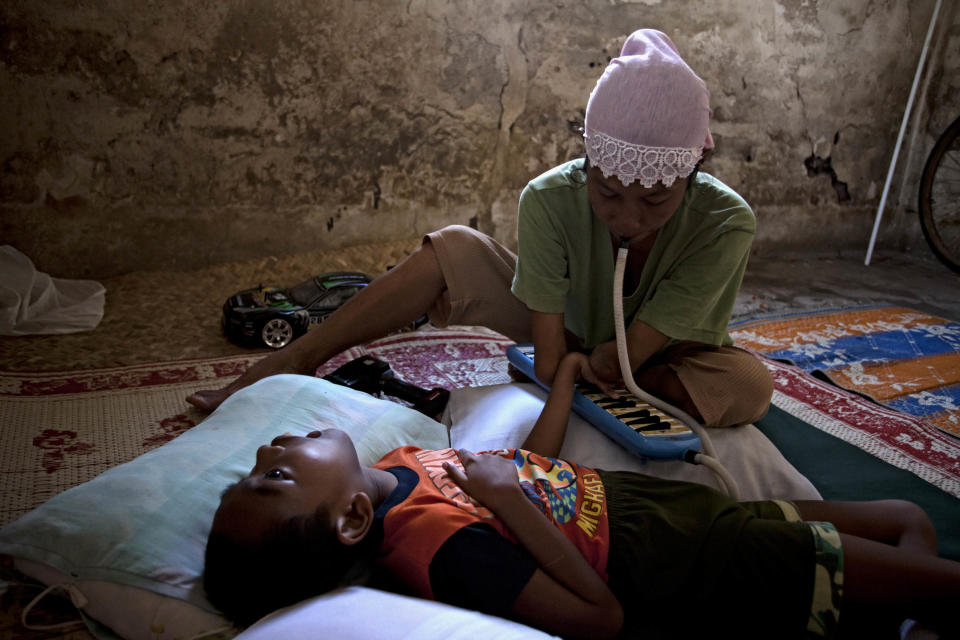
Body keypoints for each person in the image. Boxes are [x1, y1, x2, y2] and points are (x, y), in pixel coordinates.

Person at [188, 28, 773, 428]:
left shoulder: (725, 224)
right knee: (456, 248)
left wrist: (595, 371)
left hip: (661, 358)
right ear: (588, 159)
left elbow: (623, 356)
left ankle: (634, 405)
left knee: (748, 383)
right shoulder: (549, 198)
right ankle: (290, 360)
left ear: (693, 173)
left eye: (655, 201)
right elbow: (547, 362)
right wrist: (569, 364)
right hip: (564, 337)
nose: (626, 218)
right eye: (608, 192)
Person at [204, 353, 960, 639]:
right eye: (274, 477)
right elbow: (600, 619)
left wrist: (559, 383)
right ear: (351, 520)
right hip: (686, 563)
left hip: (666, 513)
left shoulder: (405, 460)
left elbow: (521, 468)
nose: (271, 449)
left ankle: (902, 624)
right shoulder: (434, 549)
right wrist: (508, 503)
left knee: (905, 519)